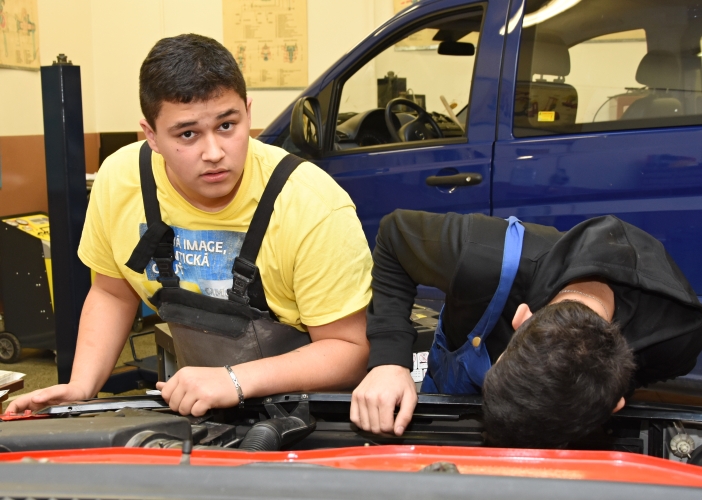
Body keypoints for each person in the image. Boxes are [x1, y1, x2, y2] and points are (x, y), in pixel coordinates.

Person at [8, 34, 372, 416]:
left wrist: (233, 380)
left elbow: (349, 351)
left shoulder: (310, 203)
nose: (214, 153)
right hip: (202, 409)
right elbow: (113, 294)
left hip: (306, 415)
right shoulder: (122, 180)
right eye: (187, 134)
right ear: (151, 136)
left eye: (228, 125)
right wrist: (82, 386)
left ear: (248, 112)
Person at [350, 210, 702, 448]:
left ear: (616, 401)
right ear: (521, 318)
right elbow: (394, 236)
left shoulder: (678, 341)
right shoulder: (483, 256)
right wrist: (388, 361)